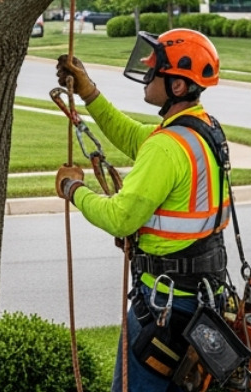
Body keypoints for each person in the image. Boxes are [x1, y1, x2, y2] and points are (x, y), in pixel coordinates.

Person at [55, 29, 232, 392]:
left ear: (179, 87)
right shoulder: (203, 131)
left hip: (163, 310)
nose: (147, 74)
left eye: (155, 71)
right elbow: (135, 137)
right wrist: (89, 92)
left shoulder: (168, 147)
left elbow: (121, 217)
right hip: (199, 301)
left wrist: (73, 189)